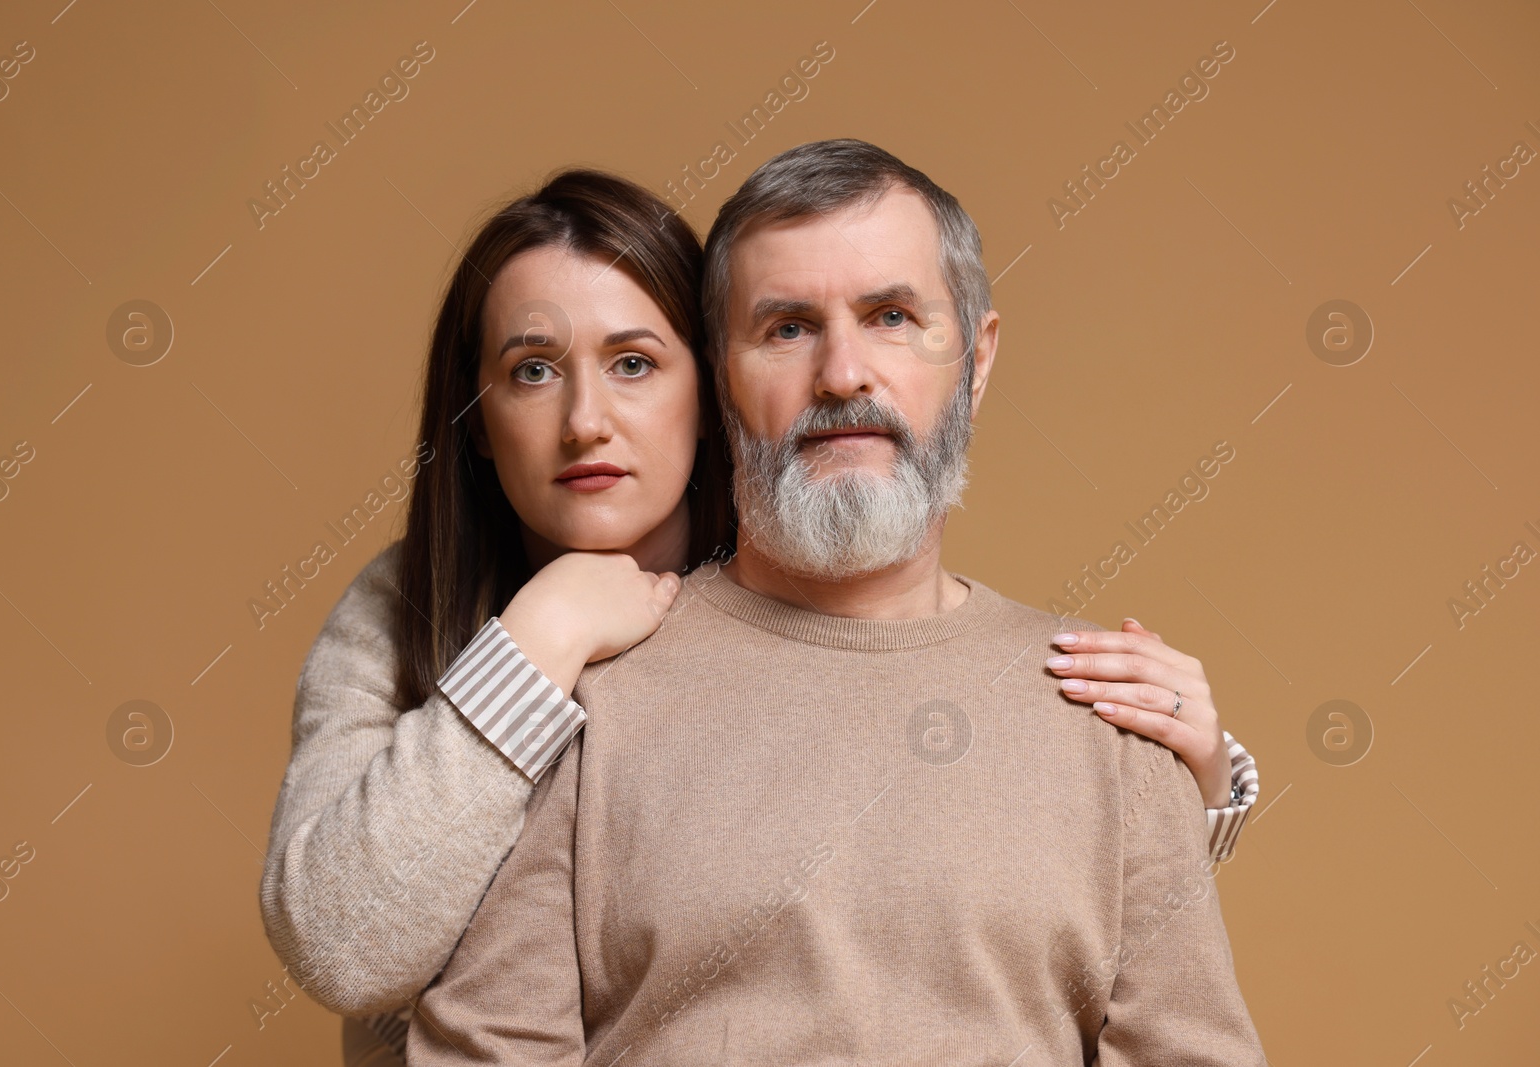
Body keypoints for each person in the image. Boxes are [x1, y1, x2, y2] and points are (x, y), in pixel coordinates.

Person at [259, 166, 1260, 1067]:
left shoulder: (1079, 706)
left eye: (892, 316)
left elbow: (982, 840)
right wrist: (537, 641)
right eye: (786, 327)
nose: (585, 419)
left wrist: (1191, 784)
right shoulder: (485, 648)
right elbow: (355, 949)